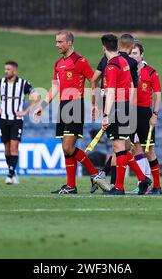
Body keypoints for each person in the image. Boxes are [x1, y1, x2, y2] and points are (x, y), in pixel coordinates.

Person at [33, 30, 108, 194]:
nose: (57, 45)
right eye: (56, 42)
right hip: (62, 106)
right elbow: (55, 87)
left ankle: (95, 173)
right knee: (65, 148)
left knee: (68, 147)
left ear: (69, 43)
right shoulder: (58, 63)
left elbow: (93, 79)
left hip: (75, 106)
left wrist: (95, 103)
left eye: (60, 42)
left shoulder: (80, 61)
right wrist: (43, 105)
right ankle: (71, 186)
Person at [90, 34, 147, 190]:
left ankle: (119, 187)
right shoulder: (124, 61)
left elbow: (110, 91)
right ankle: (141, 179)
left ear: (103, 47)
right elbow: (131, 84)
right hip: (125, 105)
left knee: (118, 147)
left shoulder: (111, 65)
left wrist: (106, 115)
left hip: (117, 107)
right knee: (121, 147)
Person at [0, 61, 40, 184]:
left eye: (8, 69)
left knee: (14, 147)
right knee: (6, 148)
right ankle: (13, 172)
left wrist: (26, 111)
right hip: (3, 119)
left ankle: (10, 175)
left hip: (17, 120)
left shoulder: (23, 83)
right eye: (5, 69)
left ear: (14, 71)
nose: (6, 71)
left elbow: (36, 97)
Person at [128, 41, 162, 195]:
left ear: (142, 54)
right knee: (131, 149)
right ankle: (142, 182)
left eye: (135, 53)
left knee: (149, 151)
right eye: (130, 53)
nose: (132, 56)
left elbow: (157, 95)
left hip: (144, 113)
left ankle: (157, 186)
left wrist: (154, 114)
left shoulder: (151, 72)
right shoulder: (126, 70)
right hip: (128, 112)